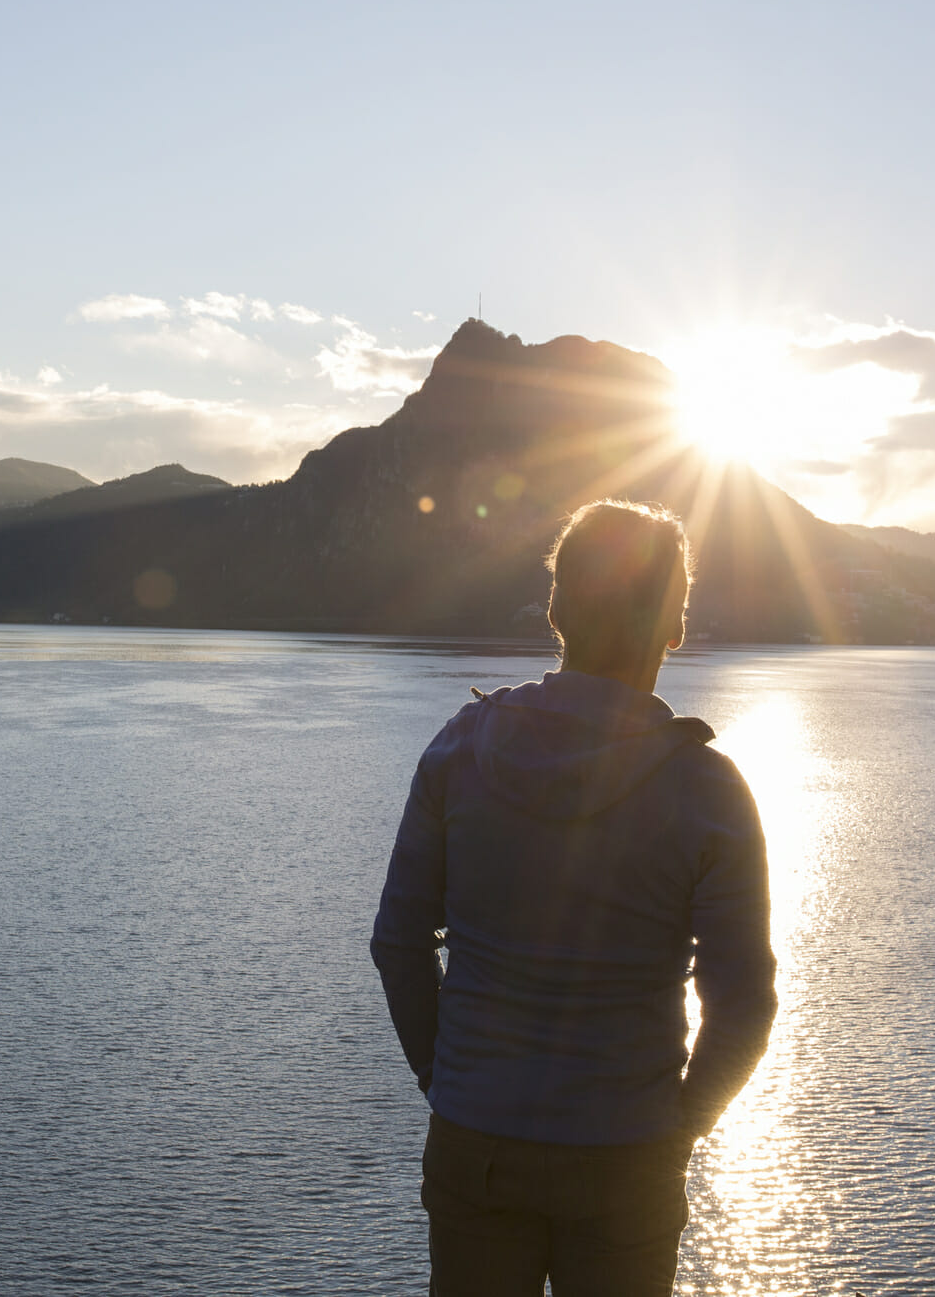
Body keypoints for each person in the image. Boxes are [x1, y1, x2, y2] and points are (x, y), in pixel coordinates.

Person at [370, 498, 777, 1296]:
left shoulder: (460, 749)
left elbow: (398, 942)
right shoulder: (706, 787)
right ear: (675, 626)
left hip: (474, 1137)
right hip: (627, 1153)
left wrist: (443, 1079)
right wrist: (679, 1129)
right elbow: (744, 1003)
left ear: (556, 610)